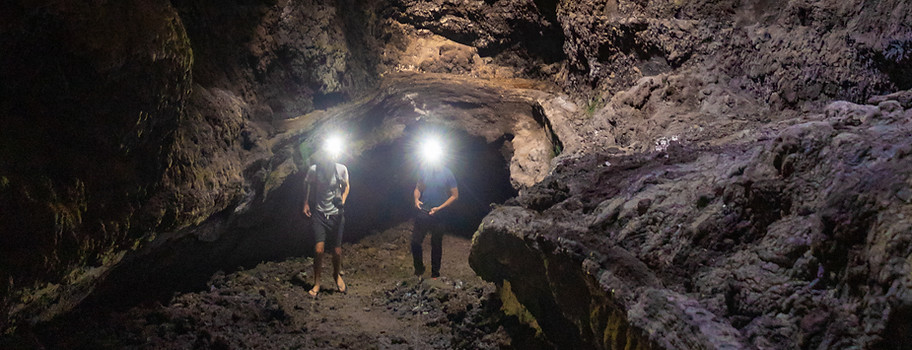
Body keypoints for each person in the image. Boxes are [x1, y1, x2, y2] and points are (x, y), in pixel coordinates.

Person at [303, 150, 349, 296]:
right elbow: (307, 183)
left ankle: (336, 275)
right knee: (318, 250)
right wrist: (306, 202)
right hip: (320, 214)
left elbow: (347, 186)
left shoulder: (341, 169)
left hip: (336, 216)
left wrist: (342, 200)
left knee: (337, 251)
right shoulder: (314, 170)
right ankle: (317, 283)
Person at [412, 164, 458, 279]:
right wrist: (416, 199)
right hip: (424, 211)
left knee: (436, 243)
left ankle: (435, 274)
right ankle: (419, 269)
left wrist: (440, 208)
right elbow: (418, 188)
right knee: (415, 242)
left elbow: (455, 195)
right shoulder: (424, 171)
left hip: (439, 214)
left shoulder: (447, 173)